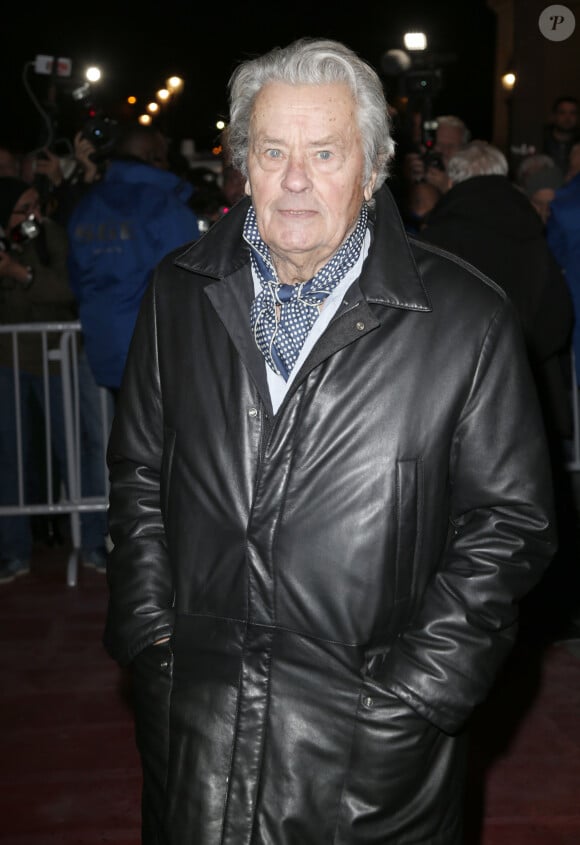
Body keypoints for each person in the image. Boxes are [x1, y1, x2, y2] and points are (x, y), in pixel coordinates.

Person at [103, 39, 556, 845]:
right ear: (243, 161)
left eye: (325, 151)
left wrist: (418, 693)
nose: (297, 179)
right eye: (273, 151)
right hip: (197, 733)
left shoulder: (465, 320)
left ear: (374, 166)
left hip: (370, 752)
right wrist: (151, 637)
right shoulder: (178, 293)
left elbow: (511, 524)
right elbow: (138, 470)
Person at [0, 178, 108, 581]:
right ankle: (13, 551)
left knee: (76, 453)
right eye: (23, 208)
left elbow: (68, 289)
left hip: (56, 360)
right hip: (8, 363)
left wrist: (22, 274)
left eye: (37, 205)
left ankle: (93, 541)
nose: (34, 216)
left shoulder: (54, 237)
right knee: (9, 457)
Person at [66, 122, 200, 398]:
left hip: (103, 345)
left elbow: (76, 278)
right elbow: (186, 281)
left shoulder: (87, 206)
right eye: (164, 156)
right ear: (153, 157)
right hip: (158, 352)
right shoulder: (166, 206)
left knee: (117, 437)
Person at [542, 96, 580, 178]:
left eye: (572, 113)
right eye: (562, 113)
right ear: (554, 115)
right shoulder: (541, 141)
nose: (567, 118)